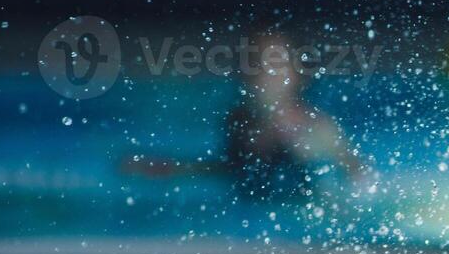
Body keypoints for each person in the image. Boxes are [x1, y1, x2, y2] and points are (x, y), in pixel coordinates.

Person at [119, 31, 363, 199]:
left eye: (275, 65)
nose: (266, 74)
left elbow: (357, 176)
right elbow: (231, 170)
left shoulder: (314, 125)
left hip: (300, 210)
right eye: (257, 63)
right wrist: (176, 169)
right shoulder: (239, 121)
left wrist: (301, 148)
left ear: (297, 75)